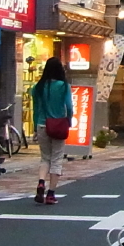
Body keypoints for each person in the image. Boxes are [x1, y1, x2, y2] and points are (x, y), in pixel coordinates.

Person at [31, 57, 73, 205]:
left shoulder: (38, 87)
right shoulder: (63, 86)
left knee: (45, 158)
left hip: (42, 125)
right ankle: (51, 194)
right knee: (56, 159)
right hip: (59, 125)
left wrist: (35, 126)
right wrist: (69, 120)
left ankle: (41, 182)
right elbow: (69, 106)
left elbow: (35, 109)